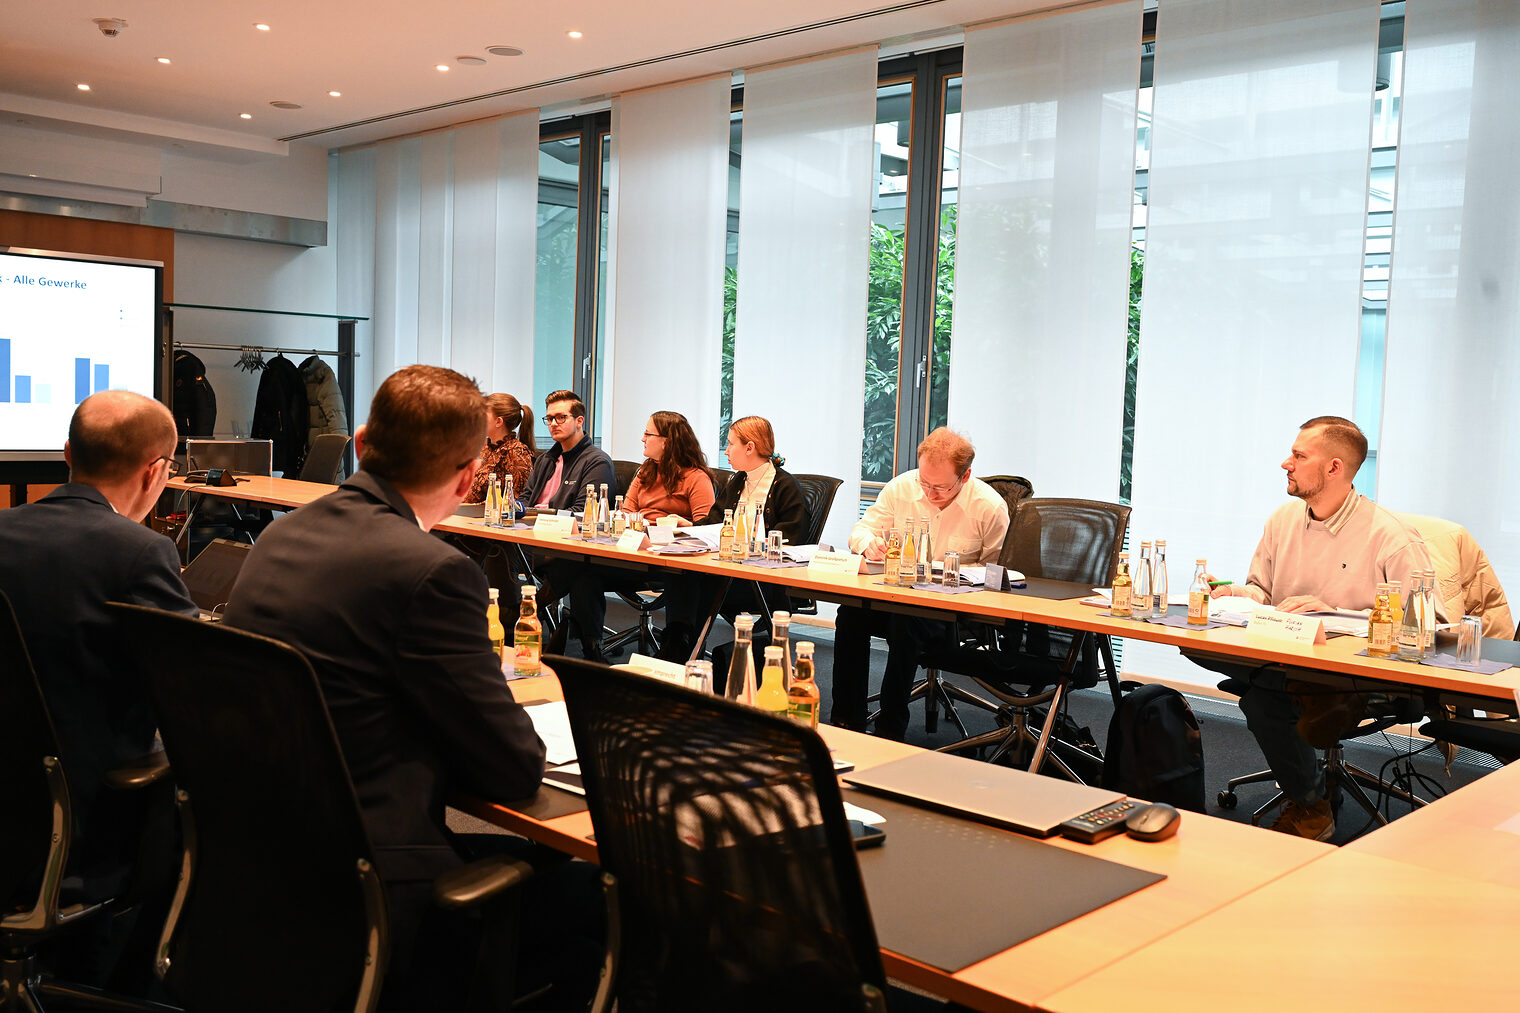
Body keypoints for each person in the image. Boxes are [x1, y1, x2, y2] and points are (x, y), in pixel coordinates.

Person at [222, 366, 596, 1011]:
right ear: (468, 477)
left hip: (264, 852)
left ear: (361, 442)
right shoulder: (433, 571)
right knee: (601, 897)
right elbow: (511, 768)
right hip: (372, 874)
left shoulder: (281, 534)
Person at [0, 390, 196, 990]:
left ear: (66, 454)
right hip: (81, 829)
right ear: (156, 472)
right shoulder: (140, 552)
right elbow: (194, 691)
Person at [1205, 416, 1439, 841]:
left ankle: (1311, 805)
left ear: (1334, 468)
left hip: (1360, 673)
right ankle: (1313, 785)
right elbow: (1263, 591)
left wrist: (1334, 614)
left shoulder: (1391, 536)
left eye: (1298, 456)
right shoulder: (1282, 520)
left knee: (1265, 701)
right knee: (1206, 652)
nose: (1286, 464)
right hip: (1290, 660)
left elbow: (1427, 628)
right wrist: (1235, 594)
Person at [832, 427, 1009, 740]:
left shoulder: (989, 507)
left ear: (965, 476)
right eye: (924, 482)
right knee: (851, 612)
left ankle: (890, 727)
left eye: (940, 487)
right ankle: (847, 718)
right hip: (900, 598)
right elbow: (860, 531)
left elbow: (999, 573)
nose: (929, 493)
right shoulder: (901, 488)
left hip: (954, 612)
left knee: (907, 621)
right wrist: (869, 544)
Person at [560, 411, 715, 662]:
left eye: (648, 433)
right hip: (635, 552)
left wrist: (684, 524)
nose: (642, 438)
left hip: (668, 560)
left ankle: (676, 647)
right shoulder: (646, 472)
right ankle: (591, 648)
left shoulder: (696, 478)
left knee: (681, 575)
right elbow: (626, 511)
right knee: (583, 570)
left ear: (667, 441)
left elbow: (707, 529)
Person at [657, 415, 809, 668]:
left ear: (750, 448)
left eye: (730, 444)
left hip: (761, 582)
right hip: (728, 570)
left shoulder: (785, 486)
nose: (726, 451)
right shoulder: (738, 480)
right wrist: (690, 526)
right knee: (678, 570)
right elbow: (717, 521)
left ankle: (683, 650)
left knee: (695, 579)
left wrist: (750, 546)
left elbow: (791, 540)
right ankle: (679, 643)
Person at [520, 388, 614, 513]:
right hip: (530, 522)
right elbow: (525, 499)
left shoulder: (597, 462)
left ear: (579, 421)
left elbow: (583, 512)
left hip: (562, 524)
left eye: (561, 417)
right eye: (550, 418)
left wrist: (540, 518)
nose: (553, 424)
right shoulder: (545, 460)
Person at [464, 392, 536, 504]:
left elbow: (517, 501)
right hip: (463, 510)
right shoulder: (483, 448)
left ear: (498, 421)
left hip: (489, 514)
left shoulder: (517, 453)